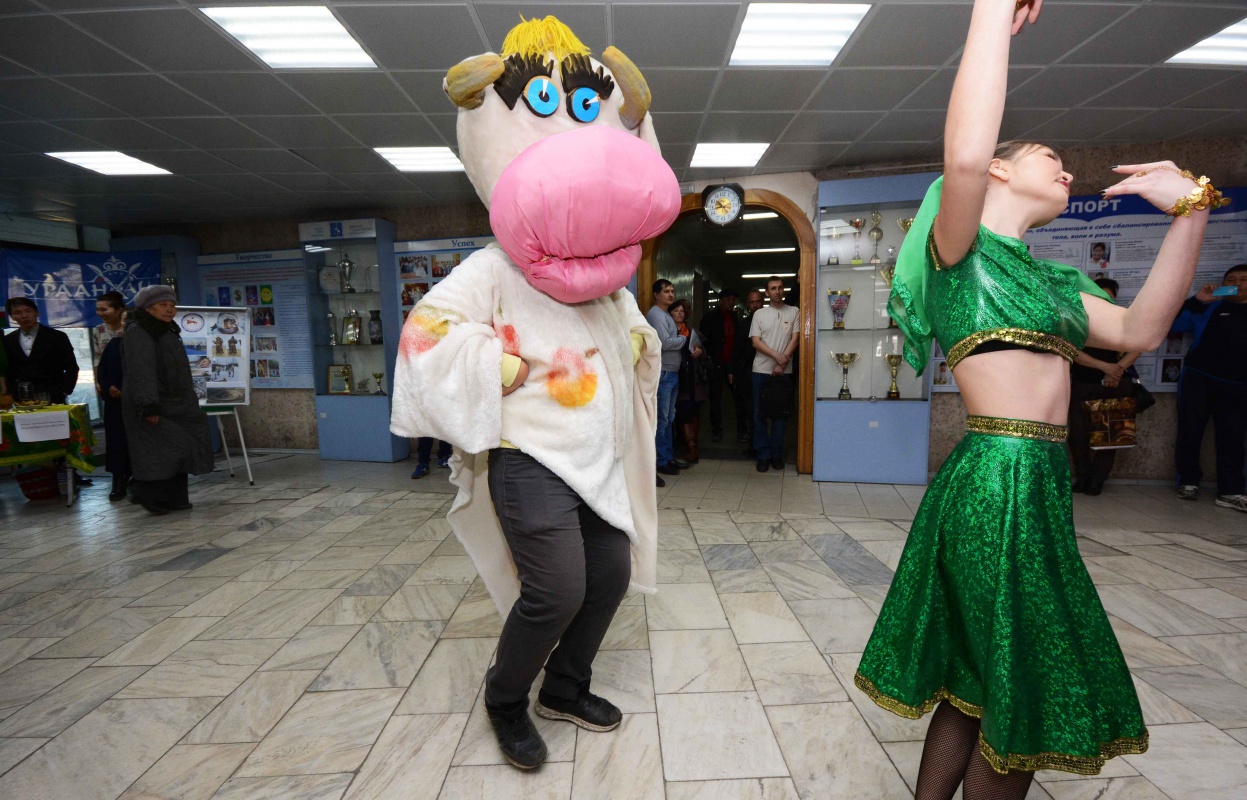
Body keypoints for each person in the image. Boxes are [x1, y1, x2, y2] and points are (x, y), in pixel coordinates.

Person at [853, 2, 1220, 797]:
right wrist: (990, 11)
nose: (1067, 172)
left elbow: (1141, 329)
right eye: (1050, 158)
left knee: (981, 675)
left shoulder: (1054, 282)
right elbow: (962, 155)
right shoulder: (959, 253)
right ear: (998, 171)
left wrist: (1190, 209)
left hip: (1039, 479)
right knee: (1022, 679)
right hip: (994, 477)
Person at [390, 15, 673, 772]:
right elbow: (425, 333)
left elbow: (628, 330)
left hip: (595, 456)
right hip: (529, 457)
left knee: (609, 576)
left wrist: (636, 343)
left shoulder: (606, 279)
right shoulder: (493, 267)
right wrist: (496, 366)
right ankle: (505, 698)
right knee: (555, 590)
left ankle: (565, 688)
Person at [122, 286, 212, 515]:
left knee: (180, 449)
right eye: (163, 305)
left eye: (172, 305)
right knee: (160, 451)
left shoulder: (165, 329)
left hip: (176, 402)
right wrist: (148, 405)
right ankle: (146, 493)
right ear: (148, 308)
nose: (170, 310)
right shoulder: (139, 331)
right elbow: (141, 371)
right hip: (154, 403)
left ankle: (175, 498)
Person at [1170, 263, 1247, 510]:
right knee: (1190, 431)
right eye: (1231, 280)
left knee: (1233, 438)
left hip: (1238, 385)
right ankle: (1188, 482)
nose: (1237, 284)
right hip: (1199, 379)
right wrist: (1197, 301)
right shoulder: (1210, 307)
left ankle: (1230, 491)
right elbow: (1171, 325)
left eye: (1244, 279)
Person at [1068, 278, 1142, 496]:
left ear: (1114, 297)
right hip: (1083, 382)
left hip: (1115, 384)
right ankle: (1082, 477)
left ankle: (1097, 480)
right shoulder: (1078, 320)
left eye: (1107, 295)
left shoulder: (1124, 318)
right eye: (1097, 293)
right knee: (1078, 435)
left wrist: (1117, 370)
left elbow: (1138, 347)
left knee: (1110, 437)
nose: (1102, 298)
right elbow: (1072, 351)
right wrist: (1105, 367)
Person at [749, 276, 799, 472]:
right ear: (767, 293)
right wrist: (777, 357)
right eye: (773, 288)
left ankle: (777, 455)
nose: (777, 291)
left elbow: (795, 339)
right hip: (761, 371)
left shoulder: (794, 311)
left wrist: (782, 362)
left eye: (779, 287)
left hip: (784, 373)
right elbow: (756, 341)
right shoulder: (759, 314)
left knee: (781, 416)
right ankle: (763, 455)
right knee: (759, 415)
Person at [646, 279, 689, 476]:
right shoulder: (656, 314)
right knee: (662, 420)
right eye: (666, 291)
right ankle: (660, 461)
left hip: (672, 372)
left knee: (669, 419)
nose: (671, 294)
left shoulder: (666, 314)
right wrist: (684, 339)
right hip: (663, 373)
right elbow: (664, 343)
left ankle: (668, 458)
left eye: (672, 291)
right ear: (656, 294)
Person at [3, 297, 79, 404]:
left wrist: (65, 391)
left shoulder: (57, 337)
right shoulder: (8, 340)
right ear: (12, 317)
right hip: (21, 398)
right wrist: (11, 393)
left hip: (53, 395)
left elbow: (72, 367)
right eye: (17, 312)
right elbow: (9, 371)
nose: (24, 316)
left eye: (28, 311)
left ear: (37, 313)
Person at [699, 289, 748, 444]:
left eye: (733, 299)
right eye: (729, 299)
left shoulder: (735, 317)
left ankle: (742, 431)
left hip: (732, 364)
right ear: (721, 300)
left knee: (739, 397)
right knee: (715, 399)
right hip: (716, 364)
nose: (732, 302)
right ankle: (716, 431)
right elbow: (703, 340)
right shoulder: (710, 318)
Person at [96, 309, 130, 501]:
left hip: (139, 403)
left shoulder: (149, 345)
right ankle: (118, 481)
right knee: (117, 443)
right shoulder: (114, 344)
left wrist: (128, 391)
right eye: (125, 320)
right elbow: (103, 371)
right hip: (115, 403)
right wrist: (109, 387)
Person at [670, 298, 706, 463]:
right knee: (676, 412)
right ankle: (682, 445)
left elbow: (705, 353)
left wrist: (700, 351)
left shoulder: (691, 331)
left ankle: (692, 447)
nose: (680, 313)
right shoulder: (667, 331)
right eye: (676, 311)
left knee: (690, 411)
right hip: (674, 374)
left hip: (691, 377)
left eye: (682, 311)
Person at [738, 290, 764, 455]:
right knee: (750, 409)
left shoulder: (770, 320)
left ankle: (767, 448)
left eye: (758, 301)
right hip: (748, 371)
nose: (755, 305)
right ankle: (755, 446)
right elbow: (738, 349)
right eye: (751, 302)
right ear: (747, 305)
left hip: (768, 371)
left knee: (767, 411)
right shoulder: (743, 325)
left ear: (763, 302)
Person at [92, 292, 126, 380]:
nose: (100, 313)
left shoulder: (131, 329)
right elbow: (97, 358)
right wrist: (98, 381)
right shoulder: (98, 330)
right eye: (97, 309)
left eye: (104, 310)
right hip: (107, 380)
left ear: (119, 310)